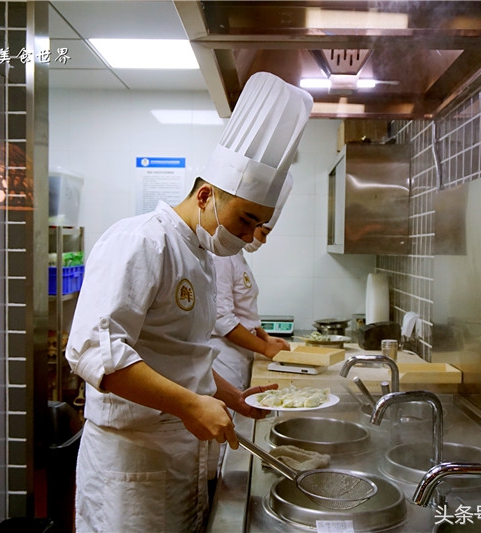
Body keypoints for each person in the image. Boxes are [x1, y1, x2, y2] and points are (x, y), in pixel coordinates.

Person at [65, 72, 313, 533]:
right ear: (205, 195)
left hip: (180, 456)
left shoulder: (198, 255)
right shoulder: (141, 240)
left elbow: (183, 354)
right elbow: (95, 352)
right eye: (245, 220)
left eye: (257, 226)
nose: (247, 237)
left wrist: (231, 397)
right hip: (133, 462)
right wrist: (190, 405)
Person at [210, 173, 294, 390]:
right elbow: (222, 319)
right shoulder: (221, 257)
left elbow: (244, 313)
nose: (261, 241)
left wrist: (265, 338)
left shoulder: (237, 256)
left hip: (241, 354)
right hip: (224, 358)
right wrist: (265, 349)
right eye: (263, 232)